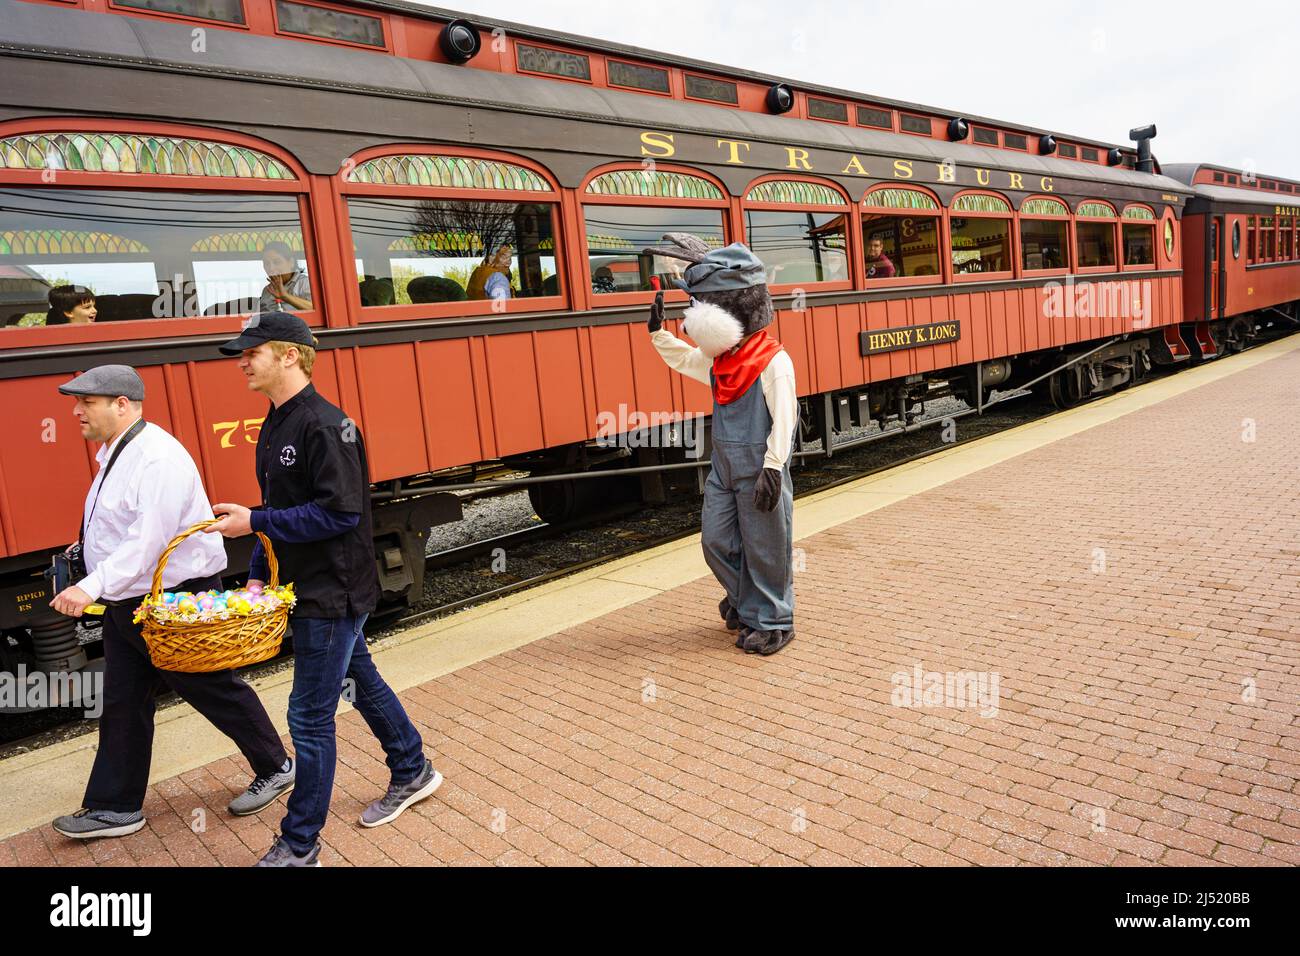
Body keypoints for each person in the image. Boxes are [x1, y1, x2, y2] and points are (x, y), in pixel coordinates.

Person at [207, 312, 442, 867]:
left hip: (332, 590)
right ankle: (413, 768)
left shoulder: (324, 425)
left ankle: (299, 844)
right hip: (309, 584)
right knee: (359, 677)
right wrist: (264, 569)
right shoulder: (277, 421)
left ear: (290, 355)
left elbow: (339, 513)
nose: (242, 361)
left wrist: (257, 522)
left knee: (309, 718)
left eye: (252, 352)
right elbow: (290, 509)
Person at [48, 365, 293, 840]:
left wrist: (89, 586)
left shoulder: (156, 458)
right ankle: (115, 806)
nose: (76, 411)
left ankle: (277, 764)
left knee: (207, 686)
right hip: (132, 598)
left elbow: (148, 543)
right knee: (123, 700)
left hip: (168, 597)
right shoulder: (117, 453)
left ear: (122, 404)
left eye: (86, 403)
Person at [641, 234, 798, 656]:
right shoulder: (723, 360)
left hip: (760, 466)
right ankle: (749, 601)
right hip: (725, 466)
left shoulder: (772, 361)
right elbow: (687, 360)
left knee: (767, 547)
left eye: (700, 308)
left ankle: (773, 620)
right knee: (716, 541)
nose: (693, 320)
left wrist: (773, 466)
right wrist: (659, 335)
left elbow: (785, 419)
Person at [258, 241, 312, 313]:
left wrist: (285, 296)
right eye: (267, 263)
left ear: (291, 262)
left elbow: (317, 309)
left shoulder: (305, 283)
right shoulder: (267, 290)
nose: (271, 268)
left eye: (277, 262)